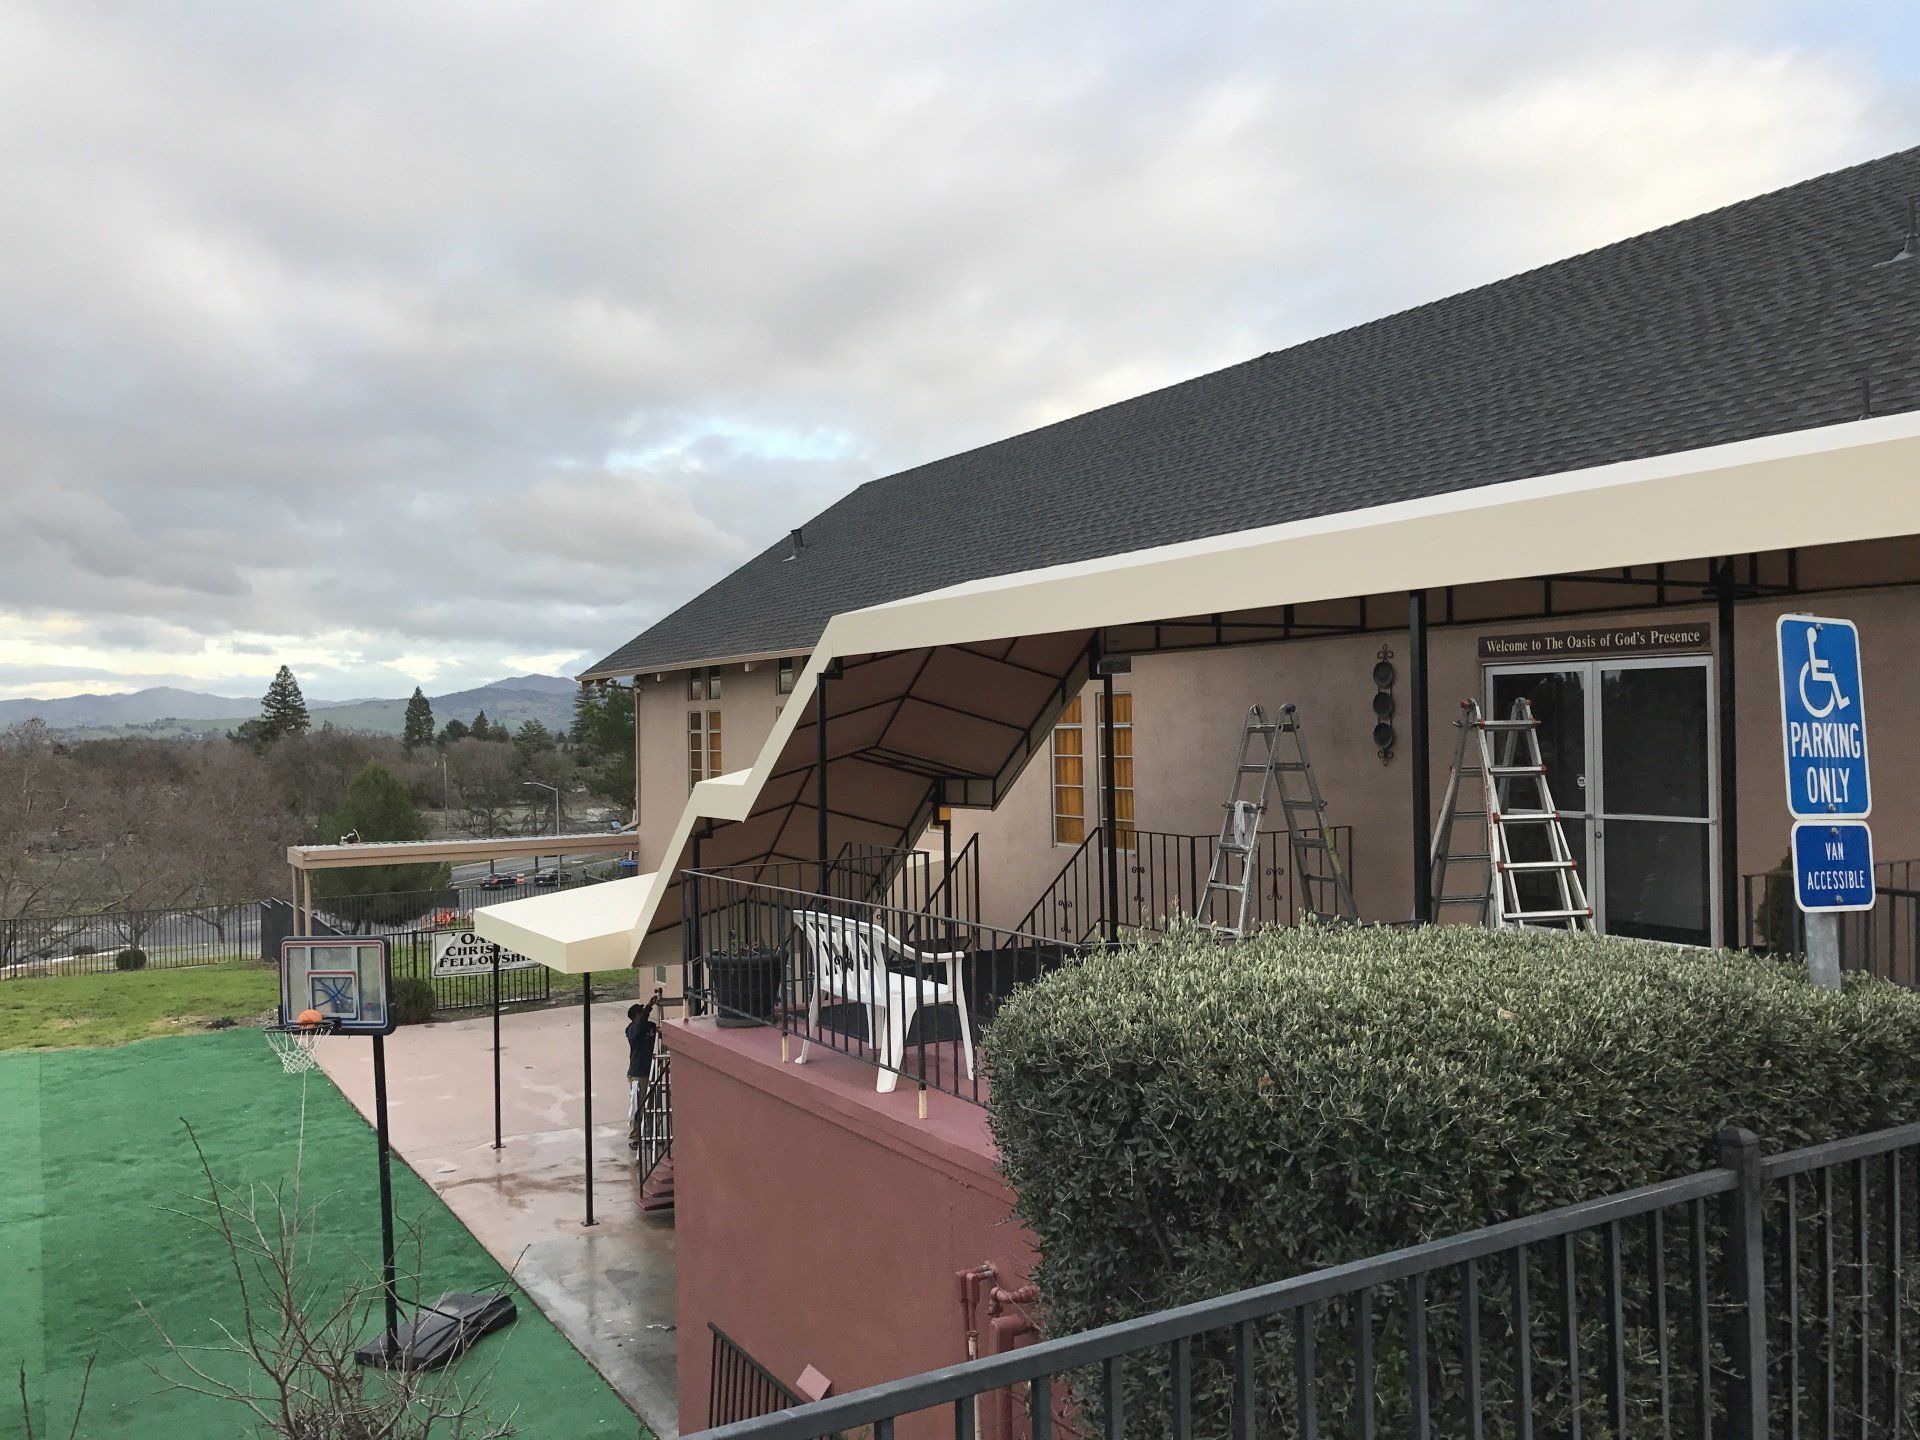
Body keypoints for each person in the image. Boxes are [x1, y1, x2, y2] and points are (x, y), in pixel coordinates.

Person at [626, 990, 662, 1150]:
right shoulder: (632, 1030)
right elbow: (639, 1027)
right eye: (640, 1013)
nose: (644, 1015)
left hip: (652, 1070)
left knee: (652, 1105)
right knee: (637, 1105)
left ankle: (650, 1134)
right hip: (637, 1073)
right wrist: (648, 1008)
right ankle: (634, 1137)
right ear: (635, 1017)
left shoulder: (651, 1027)